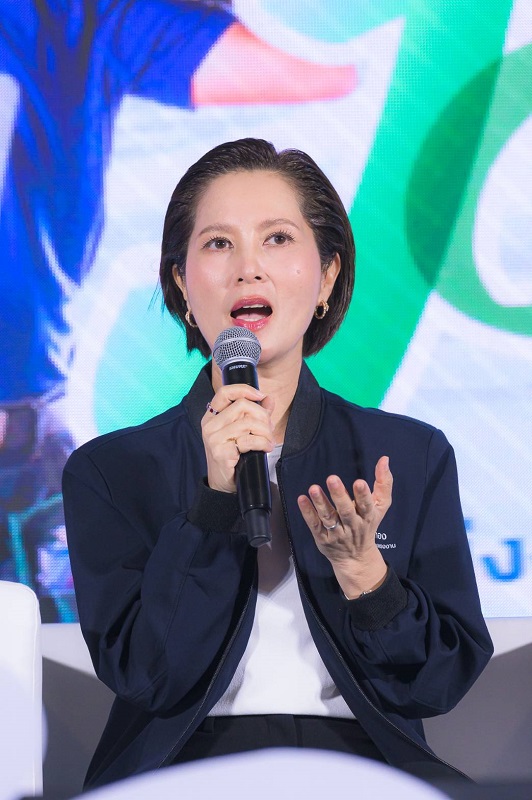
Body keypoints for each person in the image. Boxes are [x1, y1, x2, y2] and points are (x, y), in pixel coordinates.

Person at [63, 138, 493, 789]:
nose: (248, 269)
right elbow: (149, 675)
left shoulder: (409, 455)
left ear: (327, 277)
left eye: (277, 239)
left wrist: (366, 576)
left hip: (363, 767)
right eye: (218, 243)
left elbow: (439, 681)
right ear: (181, 283)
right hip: (182, 769)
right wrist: (213, 504)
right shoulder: (111, 471)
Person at [0, 1, 355, 616]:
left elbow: (330, 65)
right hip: (25, 444)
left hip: (24, 452)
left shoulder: (71, 16)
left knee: (97, 655)